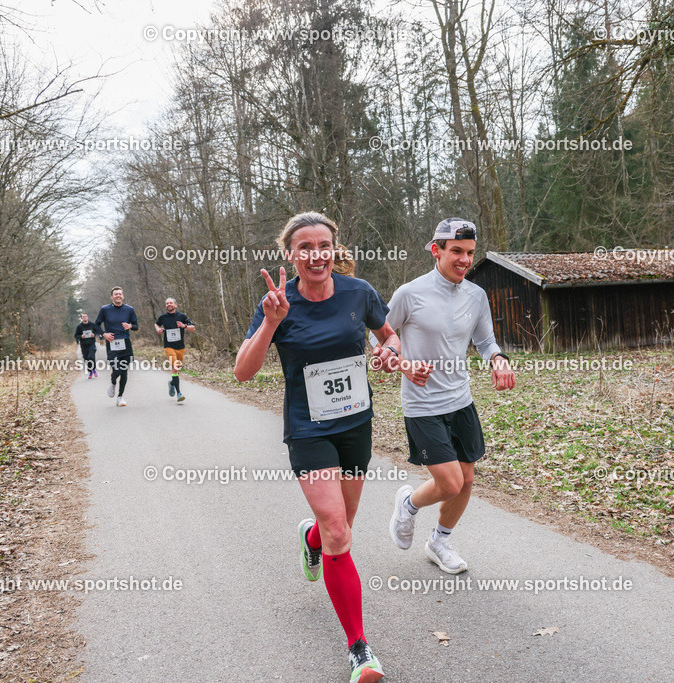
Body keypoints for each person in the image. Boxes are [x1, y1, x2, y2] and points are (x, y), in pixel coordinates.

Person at [234, 212, 399, 683]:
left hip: (355, 426)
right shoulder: (276, 302)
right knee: (340, 533)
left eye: (322, 245)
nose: (315, 254)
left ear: (333, 249)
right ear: (290, 255)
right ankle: (359, 649)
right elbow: (243, 372)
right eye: (304, 247)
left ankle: (311, 539)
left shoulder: (358, 292)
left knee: (336, 527)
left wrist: (389, 351)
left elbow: (387, 334)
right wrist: (270, 324)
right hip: (308, 429)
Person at [380, 218, 515, 574]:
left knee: (467, 481)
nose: (464, 260)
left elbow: (485, 342)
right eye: (456, 251)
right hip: (422, 405)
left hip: (461, 401)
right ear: (436, 250)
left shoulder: (476, 295)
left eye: (470, 253)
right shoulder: (410, 293)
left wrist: (498, 359)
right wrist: (403, 364)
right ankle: (408, 504)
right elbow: (380, 337)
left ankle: (440, 540)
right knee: (450, 482)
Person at [95, 287, 138, 407]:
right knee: (117, 369)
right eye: (115, 294)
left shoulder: (129, 309)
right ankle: (113, 382)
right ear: (112, 297)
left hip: (125, 343)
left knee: (124, 371)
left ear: (123, 296)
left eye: (120, 294)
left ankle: (120, 397)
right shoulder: (105, 309)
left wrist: (129, 326)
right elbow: (96, 325)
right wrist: (104, 334)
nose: (118, 296)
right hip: (112, 343)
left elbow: (136, 326)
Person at [155, 297, 195, 402]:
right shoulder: (163, 317)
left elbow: (193, 328)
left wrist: (184, 326)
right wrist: (158, 329)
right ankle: (179, 393)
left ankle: (172, 383)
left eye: (171, 303)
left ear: (175, 305)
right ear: (165, 306)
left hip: (180, 347)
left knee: (177, 370)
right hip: (168, 346)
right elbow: (156, 324)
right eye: (167, 303)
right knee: (175, 367)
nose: (169, 304)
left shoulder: (182, 316)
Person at [74, 312, 103, 378]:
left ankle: (94, 370)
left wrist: (94, 334)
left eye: (86, 316)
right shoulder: (79, 326)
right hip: (84, 345)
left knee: (91, 357)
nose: (85, 317)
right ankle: (90, 371)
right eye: (83, 317)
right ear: (81, 318)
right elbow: (76, 335)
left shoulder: (92, 324)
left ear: (87, 317)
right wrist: (81, 336)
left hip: (91, 344)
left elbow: (98, 331)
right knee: (87, 359)